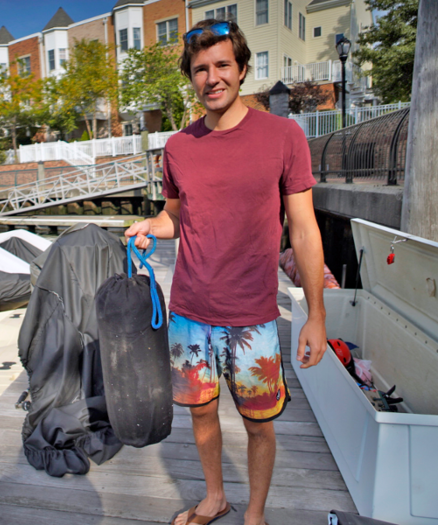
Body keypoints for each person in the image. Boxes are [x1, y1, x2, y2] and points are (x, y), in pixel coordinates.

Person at [125, 19, 327, 525]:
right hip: (190, 311)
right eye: (200, 69)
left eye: (221, 66)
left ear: (241, 70)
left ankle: (254, 515)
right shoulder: (178, 147)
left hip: (255, 315)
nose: (211, 77)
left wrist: (316, 316)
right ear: (190, 78)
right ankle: (215, 497)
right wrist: (150, 225)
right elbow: (176, 217)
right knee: (200, 414)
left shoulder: (283, 136)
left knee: (259, 425)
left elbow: (303, 230)